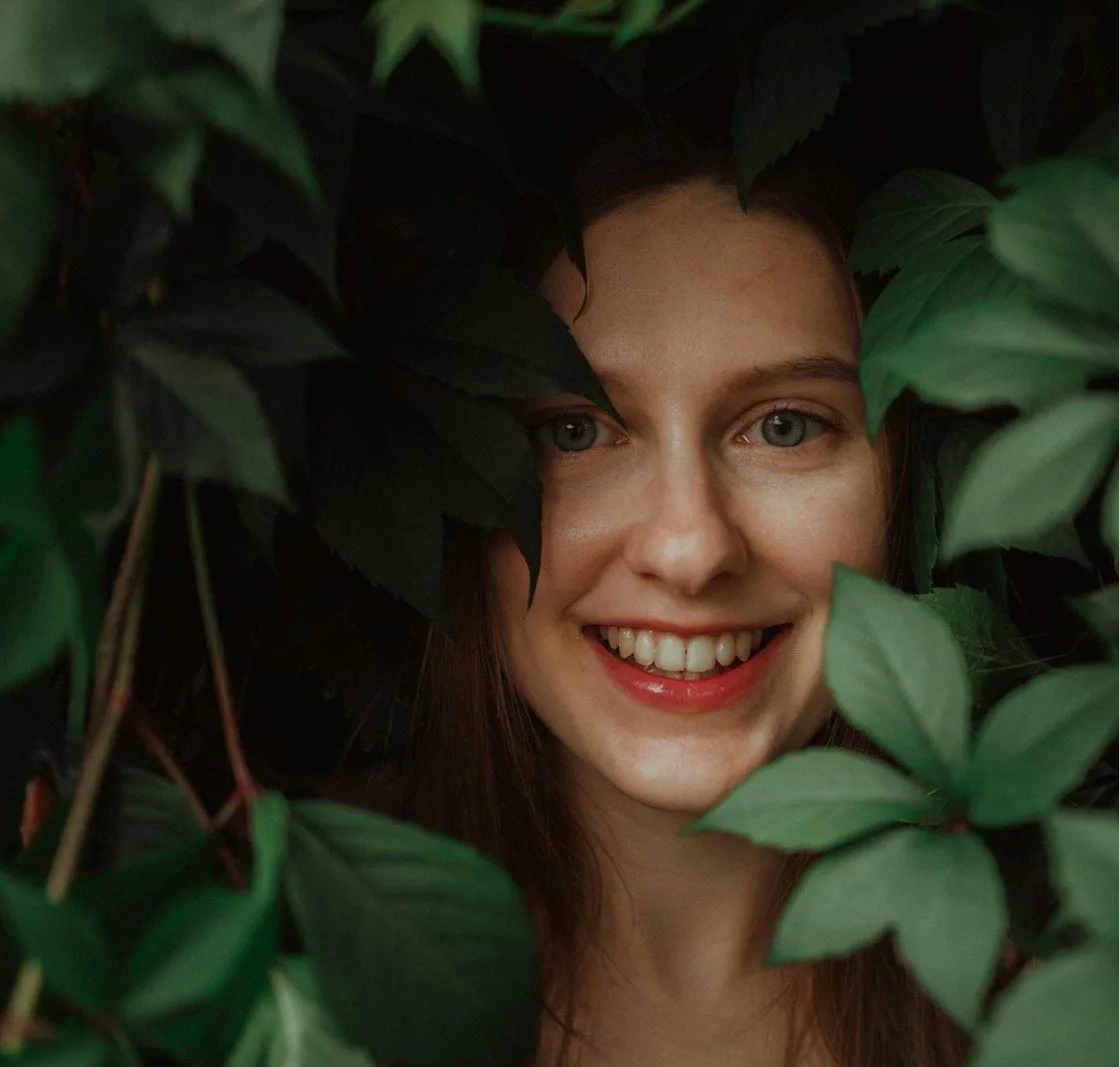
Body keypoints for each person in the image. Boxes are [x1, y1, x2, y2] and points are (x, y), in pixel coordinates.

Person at [399, 124, 970, 1067]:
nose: (690, 547)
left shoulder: (1091, 1015)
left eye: (785, 426)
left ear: (909, 484)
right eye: (575, 431)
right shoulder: (256, 965)